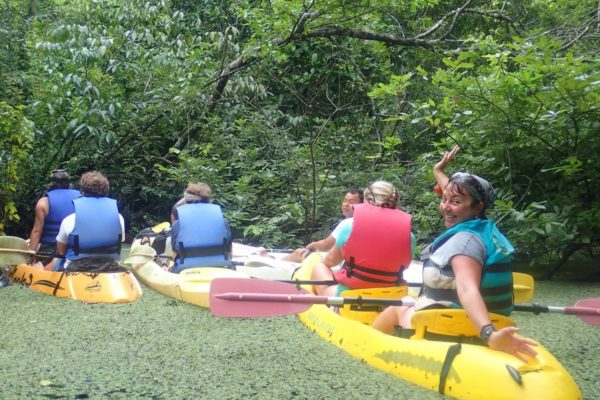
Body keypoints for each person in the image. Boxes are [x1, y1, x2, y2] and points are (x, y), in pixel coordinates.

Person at [372, 146, 538, 361]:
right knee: (412, 299)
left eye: (455, 202)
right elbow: (453, 195)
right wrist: (439, 171)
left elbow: (467, 289)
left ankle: (369, 348)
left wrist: (489, 334)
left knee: (397, 307)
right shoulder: (482, 226)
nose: (446, 207)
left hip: (457, 322)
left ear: (477, 207)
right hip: (489, 316)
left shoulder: (464, 243)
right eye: (444, 199)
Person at [311, 181, 414, 296]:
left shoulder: (350, 226)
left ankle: (332, 305)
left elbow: (330, 261)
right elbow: (404, 266)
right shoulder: (410, 237)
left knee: (319, 267)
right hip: (389, 296)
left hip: (350, 296)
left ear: (366, 200)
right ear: (395, 202)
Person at [53, 171, 125, 271]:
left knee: (57, 261)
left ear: (82, 192)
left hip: (77, 268)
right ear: (106, 191)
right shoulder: (119, 218)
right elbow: (120, 242)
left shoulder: (70, 219)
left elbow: (61, 251)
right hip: (110, 267)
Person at [279, 190, 364, 263]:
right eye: (345, 201)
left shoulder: (348, 222)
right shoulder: (363, 222)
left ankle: (276, 264)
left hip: (338, 262)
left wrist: (312, 245)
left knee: (299, 253)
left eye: (351, 202)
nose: (346, 204)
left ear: (361, 205)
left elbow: (326, 245)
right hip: (347, 260)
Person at [170, 182, 232, 273]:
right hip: (220, 268)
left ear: (186, 200)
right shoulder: (223, 222)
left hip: (186, 270)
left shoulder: (177, 224)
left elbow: (175, 254)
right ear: (208, 200)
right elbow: (229, 252)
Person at [29, 169, 80, 253]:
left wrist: (30, 254)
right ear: (69, 183)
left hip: (51, 248)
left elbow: (37, 231)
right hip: (76, 247)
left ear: (51, 184)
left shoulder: (43, 202)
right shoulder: (81, 196)